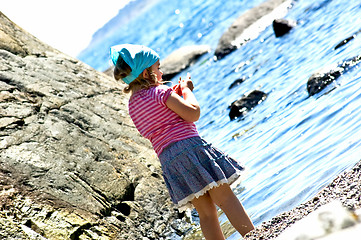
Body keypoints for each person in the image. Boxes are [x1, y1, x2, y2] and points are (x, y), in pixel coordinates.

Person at [110, 44, 254, 239]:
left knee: (206, 214)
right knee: (226, 198)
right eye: (157, 68)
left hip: (170, 161)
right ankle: (255, 236)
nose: (161, 72)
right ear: (146, 74)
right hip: (190, 148)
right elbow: (193, 113)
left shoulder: (133, 106)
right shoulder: (161, 92)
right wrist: (185, 91)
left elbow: (156, 123)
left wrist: (173, 96)